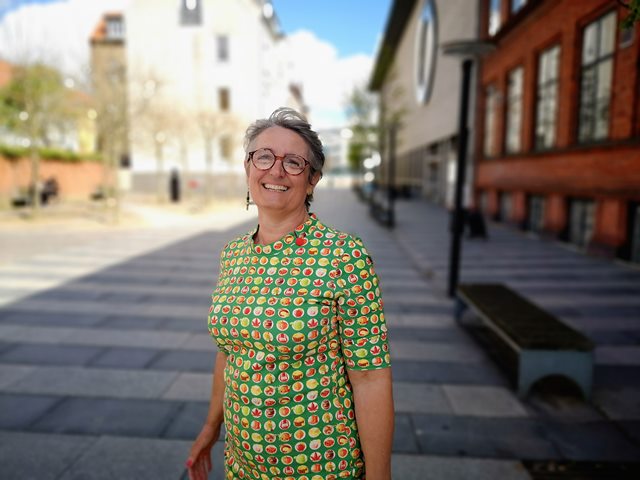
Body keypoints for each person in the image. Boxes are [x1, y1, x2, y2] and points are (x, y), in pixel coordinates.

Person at [186, 107, 394, 480]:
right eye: (264, 156)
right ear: (249, 168)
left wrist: (379, 477)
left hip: (320, 467)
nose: (276, 170)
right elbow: (229, 353)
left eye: (294, 162)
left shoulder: (344, 256)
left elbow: (371, 378)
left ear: (312, 180)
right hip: (243, 466)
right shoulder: (233, 254)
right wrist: (210, 427)